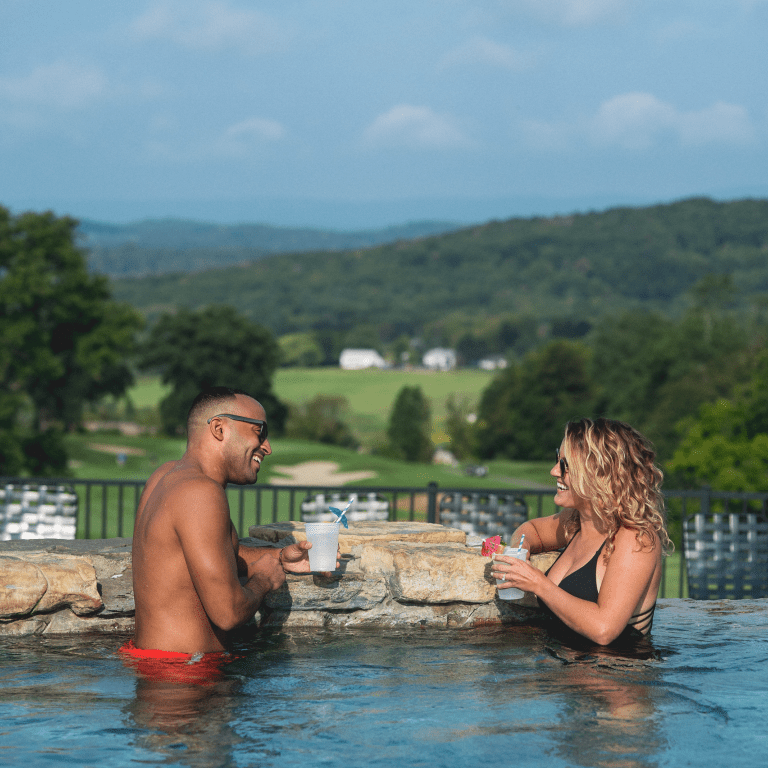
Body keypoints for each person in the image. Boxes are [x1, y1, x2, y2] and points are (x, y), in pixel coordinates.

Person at [128, 386, 333, 659]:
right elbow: (228, 613)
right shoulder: (200, 493)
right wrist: (263, 580)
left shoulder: (165, 476)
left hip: (157, 665)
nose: (267, 447)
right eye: (259, 431)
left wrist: (279, 557)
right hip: (185, 681)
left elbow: (209, 553)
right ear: (219, 428)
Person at [492, 417, 671, 647]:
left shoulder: (635, 538)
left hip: (615, 678)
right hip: (563, 671)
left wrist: (538, 584)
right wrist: (521, 549)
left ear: (600, 474)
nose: (554, 471)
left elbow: (604, 630)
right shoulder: (578, 522)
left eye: (566, 465)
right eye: (558, 459)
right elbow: (532, 530)